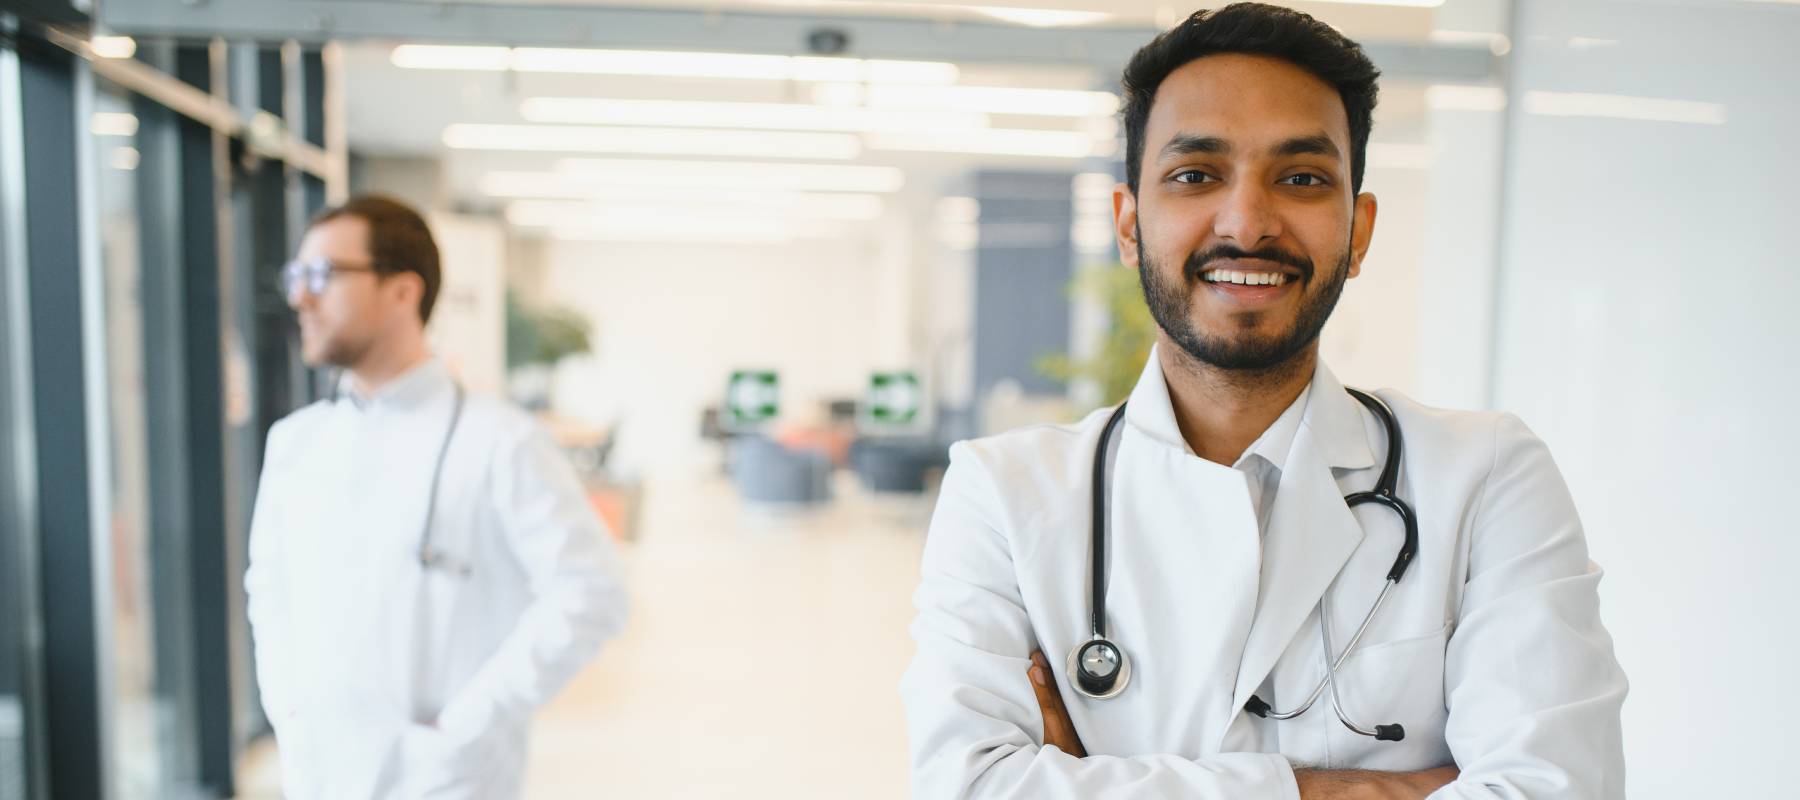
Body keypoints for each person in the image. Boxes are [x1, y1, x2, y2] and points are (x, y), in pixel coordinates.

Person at [899, 5, 1627, 798]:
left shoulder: (1486, 476)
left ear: (1359, 232)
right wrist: (1355, 787)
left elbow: (1559, 788)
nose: (1247, 222)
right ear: (1130, 224)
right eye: (1195, 175)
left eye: (1302, 178)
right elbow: (966, 787)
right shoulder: (1004, 493)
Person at [246, 195, 627, 798]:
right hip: (318, 772)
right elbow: (269, 590)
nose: (301, 297)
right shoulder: (296, 443)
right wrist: (287, 710)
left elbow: (592, 592)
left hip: (442, 777)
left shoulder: (503, 443)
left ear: (403, 292)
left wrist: (467, 724)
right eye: (297, 276)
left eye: (323, 275)